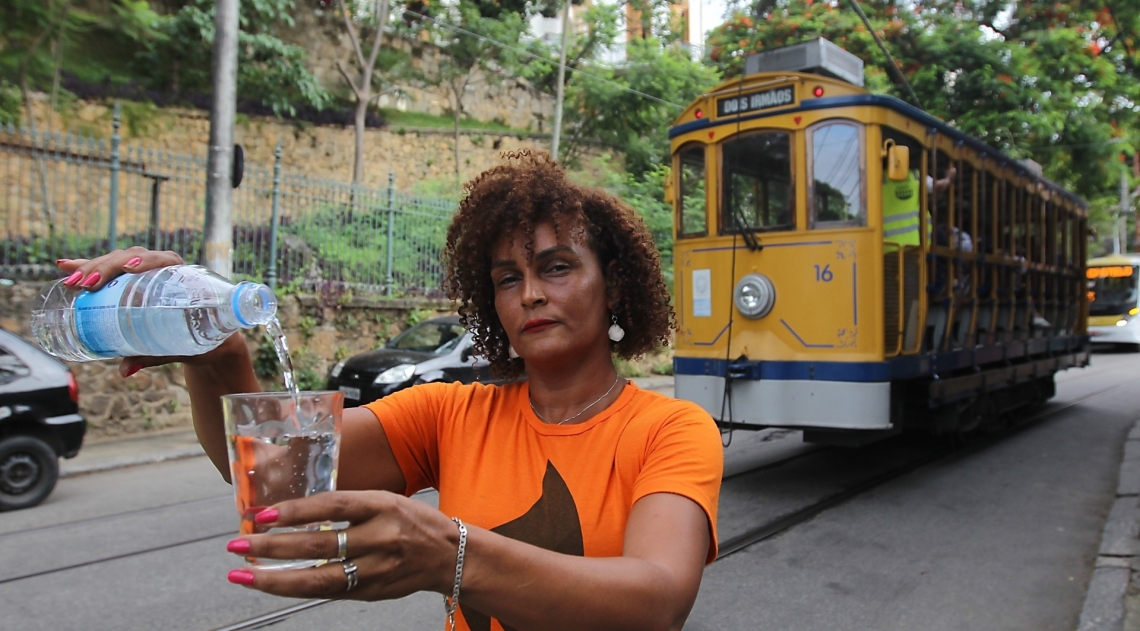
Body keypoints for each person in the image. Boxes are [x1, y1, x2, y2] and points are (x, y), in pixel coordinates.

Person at [55, 150, 723, 631]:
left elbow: (657, 598)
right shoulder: (449, 412)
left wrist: (449, 553)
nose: (533, 293)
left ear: (615, 284)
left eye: (556, 267)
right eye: (507, 277)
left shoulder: (671, 429)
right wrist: (216, 350)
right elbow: (283, 475)